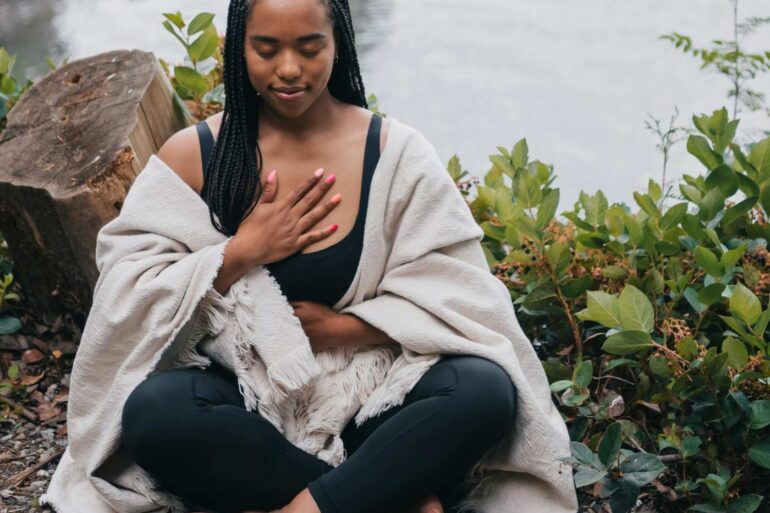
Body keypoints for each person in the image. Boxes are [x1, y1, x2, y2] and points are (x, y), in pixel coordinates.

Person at [119, 1, 518, 513]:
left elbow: (461, 297)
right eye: (266, 49)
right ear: (239, 46)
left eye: (310, 48)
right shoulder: (193, 154)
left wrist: (347, 330)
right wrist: (243, 252)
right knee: (154, 415)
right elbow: (130, 296)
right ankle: (391, 494)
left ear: (339, 44)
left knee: (484, 390)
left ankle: (309, 506)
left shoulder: (395, 154)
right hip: (246, 398)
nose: (288, 69)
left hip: (369, 396)